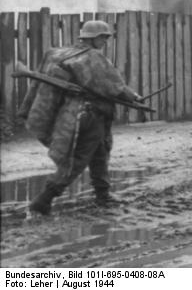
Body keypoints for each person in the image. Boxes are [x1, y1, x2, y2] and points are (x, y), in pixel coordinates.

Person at [18, 20, 143, 215]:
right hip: (88, 115)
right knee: (78, 159)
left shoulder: (58, 53)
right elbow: (113, 87)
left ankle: (103, 196)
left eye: (106, 37)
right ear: (93, 38)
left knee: (100, 152)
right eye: (103, 37)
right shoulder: (92, 57)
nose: (105, 41)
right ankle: (43, 200)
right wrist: (133, 96)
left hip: (76, 113)